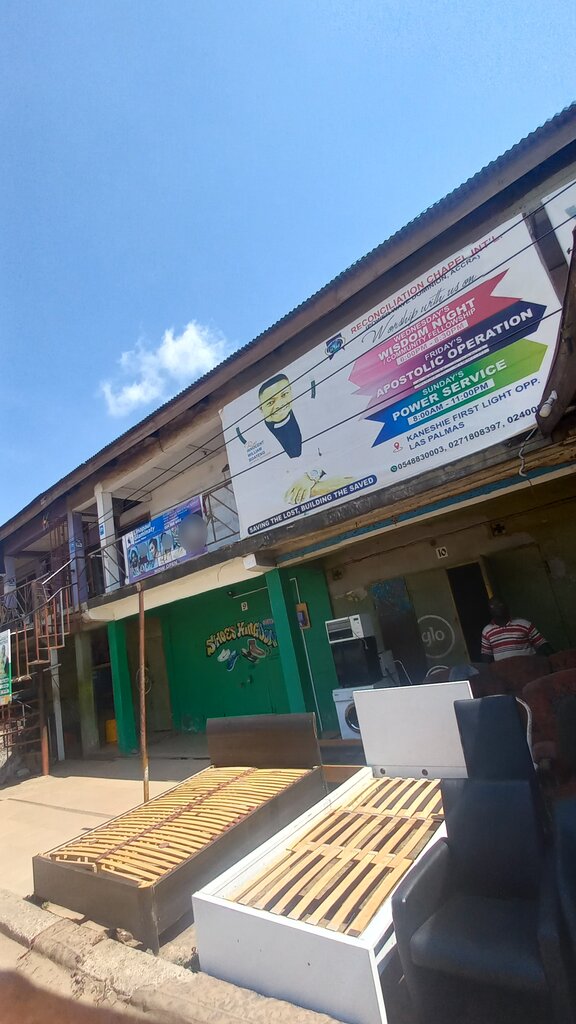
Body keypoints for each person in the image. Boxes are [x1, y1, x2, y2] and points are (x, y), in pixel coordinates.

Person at [480, 597, 553, 662]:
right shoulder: (487, 631)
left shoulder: (524, 624)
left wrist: (555, 659)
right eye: (492, 606)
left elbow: (543, 645)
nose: (497, 607)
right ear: (489, 610)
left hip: (529, 669)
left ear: (507, 606)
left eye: (500, 604)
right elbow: (486, 657)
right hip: (504, 674)